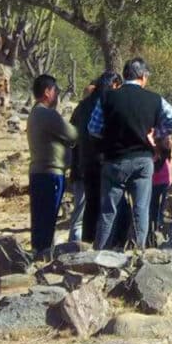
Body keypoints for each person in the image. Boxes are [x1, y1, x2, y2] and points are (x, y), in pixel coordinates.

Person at [89, 58, 172, 250]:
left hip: (114, 160)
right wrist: (156, 133)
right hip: (142, 160)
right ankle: (138, 252)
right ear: (143, 76)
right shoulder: (155, 99)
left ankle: (100, 254)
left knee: (109, 210)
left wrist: (110, 135)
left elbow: (93, 128)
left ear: (125, 76)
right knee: (141, 209)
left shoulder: (107, 97)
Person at [27, 74, 77, 257]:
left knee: (39, 218)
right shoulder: (47, 114)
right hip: (51, 172)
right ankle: (44, 254)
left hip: (37, 171)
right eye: (55, 91)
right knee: (48, 217)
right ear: (47, 92)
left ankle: (37, 251)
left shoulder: (35, 112)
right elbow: (72, 134)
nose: (56, 95)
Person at [70, 72, 122, 243]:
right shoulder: (110, 102)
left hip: (85, 161)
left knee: (91, 206)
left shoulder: (82, 105)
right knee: (109, 206)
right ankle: (107, 244)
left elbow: (72, 134)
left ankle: (86, 244)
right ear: (114, 84)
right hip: (105, 159)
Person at [66, 81, 97, 242]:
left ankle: (74, 244)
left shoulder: (77, 112)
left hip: (78, 168)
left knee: (80, 210)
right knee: (83, 212)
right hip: (89, 170)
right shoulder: (95, 112)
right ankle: (77, 246)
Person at [149, 135, 172, 244]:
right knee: (159, 209)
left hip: (155, 180)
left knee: (153, 209)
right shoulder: (165, 139)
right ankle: (157, 231)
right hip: (164, 179)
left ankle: (154, 233)